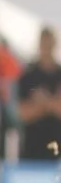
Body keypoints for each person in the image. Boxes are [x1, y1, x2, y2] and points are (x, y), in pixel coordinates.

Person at [18, 28, 61, 161]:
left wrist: (42, 102)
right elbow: (22, 113)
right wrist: (51, 104)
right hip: (32, 150)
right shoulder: (28, 75)